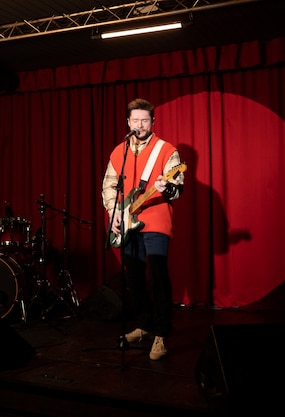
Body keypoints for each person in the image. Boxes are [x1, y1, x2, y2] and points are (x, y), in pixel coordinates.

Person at [101, 98, 184, 360]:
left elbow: (178, 185)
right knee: (134, 275)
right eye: (135, 121)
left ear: (153, 122)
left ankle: (161, 332)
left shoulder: (166, 150)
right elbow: (109, 185)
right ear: (128, 122)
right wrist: (113, 211)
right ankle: (145, 323)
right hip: (127, 221)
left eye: (145, 121)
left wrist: (167, 187)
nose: (140, 125)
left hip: (156, 219)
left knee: (158, 275)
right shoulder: (119, 151)